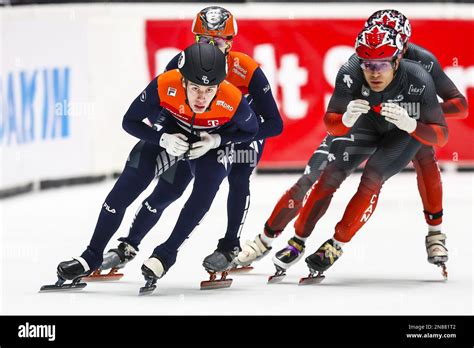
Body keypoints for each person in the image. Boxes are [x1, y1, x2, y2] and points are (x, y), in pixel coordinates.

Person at [237, 9, 467, 276]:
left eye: (386, 55)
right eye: (368, 57)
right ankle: (277, 240)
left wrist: (417, 114)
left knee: (414, 160)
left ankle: (435, 233)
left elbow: (456, 110)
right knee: (319, 173)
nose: (374, 64)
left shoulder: (421, 68)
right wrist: (347, 117)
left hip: (403, 126)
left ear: (402, 48)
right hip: (368, 121)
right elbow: (331, 120)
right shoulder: (355, 66)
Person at [40, 43, 258, 291]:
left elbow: (251, 131)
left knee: (205, 189)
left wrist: (217, 141)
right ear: (183, 81)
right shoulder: (165, 84)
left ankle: (166, 254)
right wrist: (162, 138)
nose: (201, 97)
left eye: (209, 90)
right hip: (169, 137)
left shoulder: (232, 99)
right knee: (126, 188)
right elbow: (129, 121)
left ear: (219, 86)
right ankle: (91, 255)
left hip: (208, 146)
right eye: (195, 87)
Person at [98, 6, 282, 277]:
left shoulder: (246, 70)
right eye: (204, 40)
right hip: (196, 132)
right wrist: (168, 137)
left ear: (230, 42)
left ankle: (230, 245)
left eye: (217, 42)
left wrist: (222, 139)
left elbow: (274, 125)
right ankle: (129, 244)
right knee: (169, 189)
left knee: (239, 176)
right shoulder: (181, 64)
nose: (211, 47)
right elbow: (160, 110)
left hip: (240, 134)